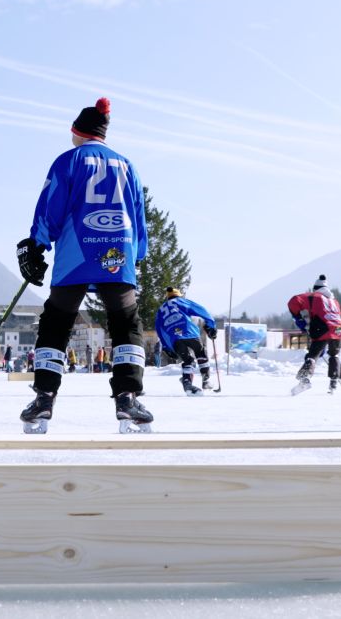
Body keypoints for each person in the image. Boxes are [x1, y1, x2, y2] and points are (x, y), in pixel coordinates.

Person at [15, 97, 152, 433]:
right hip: (116, 255)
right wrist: (136, 254)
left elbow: (51, 207)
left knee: (57, 321)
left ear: (79, 132)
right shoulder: (126, 164)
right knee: (125, 322)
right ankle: (128, 397)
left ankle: (44, 397)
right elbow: (138, 214)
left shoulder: (69, 160)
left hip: (75, 254)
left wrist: (37, 244)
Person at [287, 275, 341, 395]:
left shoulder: (314, 296)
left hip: (323, 327)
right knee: (334, 355)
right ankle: (334, 382)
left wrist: (298, 319)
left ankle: (305, 379)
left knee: (312, 355)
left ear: (315, 288)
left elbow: (293, 301)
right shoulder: (334, 300)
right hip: (338, 329)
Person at [156, 287, 218, 395]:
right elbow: (200, 310)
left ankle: (187, 384)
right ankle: (206, 380)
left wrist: (167, 347)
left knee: (188, 360)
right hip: (189, 332)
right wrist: (211, 325)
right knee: (200, 352)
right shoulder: (181, 301)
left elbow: (159, 330)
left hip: (175, 338)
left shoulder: (161, 310)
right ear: (179, 295)